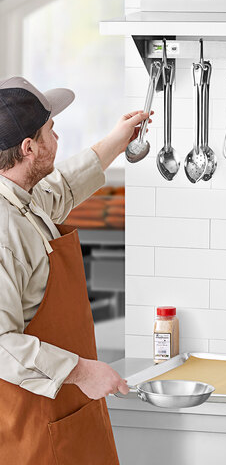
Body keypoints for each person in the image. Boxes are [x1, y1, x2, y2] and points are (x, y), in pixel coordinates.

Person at [0, 76, 149, 464]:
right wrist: (81, 372)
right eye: (51, 129)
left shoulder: (23, 199)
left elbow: (63, 186)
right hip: (29, 426)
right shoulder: (3, 229)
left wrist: (119, 139)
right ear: (29, 147)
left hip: (67, 413)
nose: (58, 136)